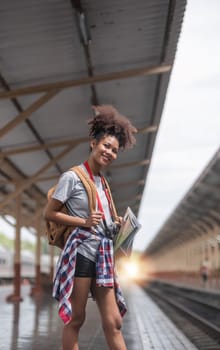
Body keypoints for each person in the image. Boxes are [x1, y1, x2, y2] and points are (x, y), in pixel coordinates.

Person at [44, 105, 137, 350]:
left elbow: (102, 218)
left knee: (114, 321)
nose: (109, 152)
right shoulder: (72, 177)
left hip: (103, 255)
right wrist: (83, 222)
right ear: (93, 142)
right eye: (106, 146)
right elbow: (49, 212)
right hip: (83, 254)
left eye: (115, 150)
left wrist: (116, 224)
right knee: (76, 319)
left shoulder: (103, 183)